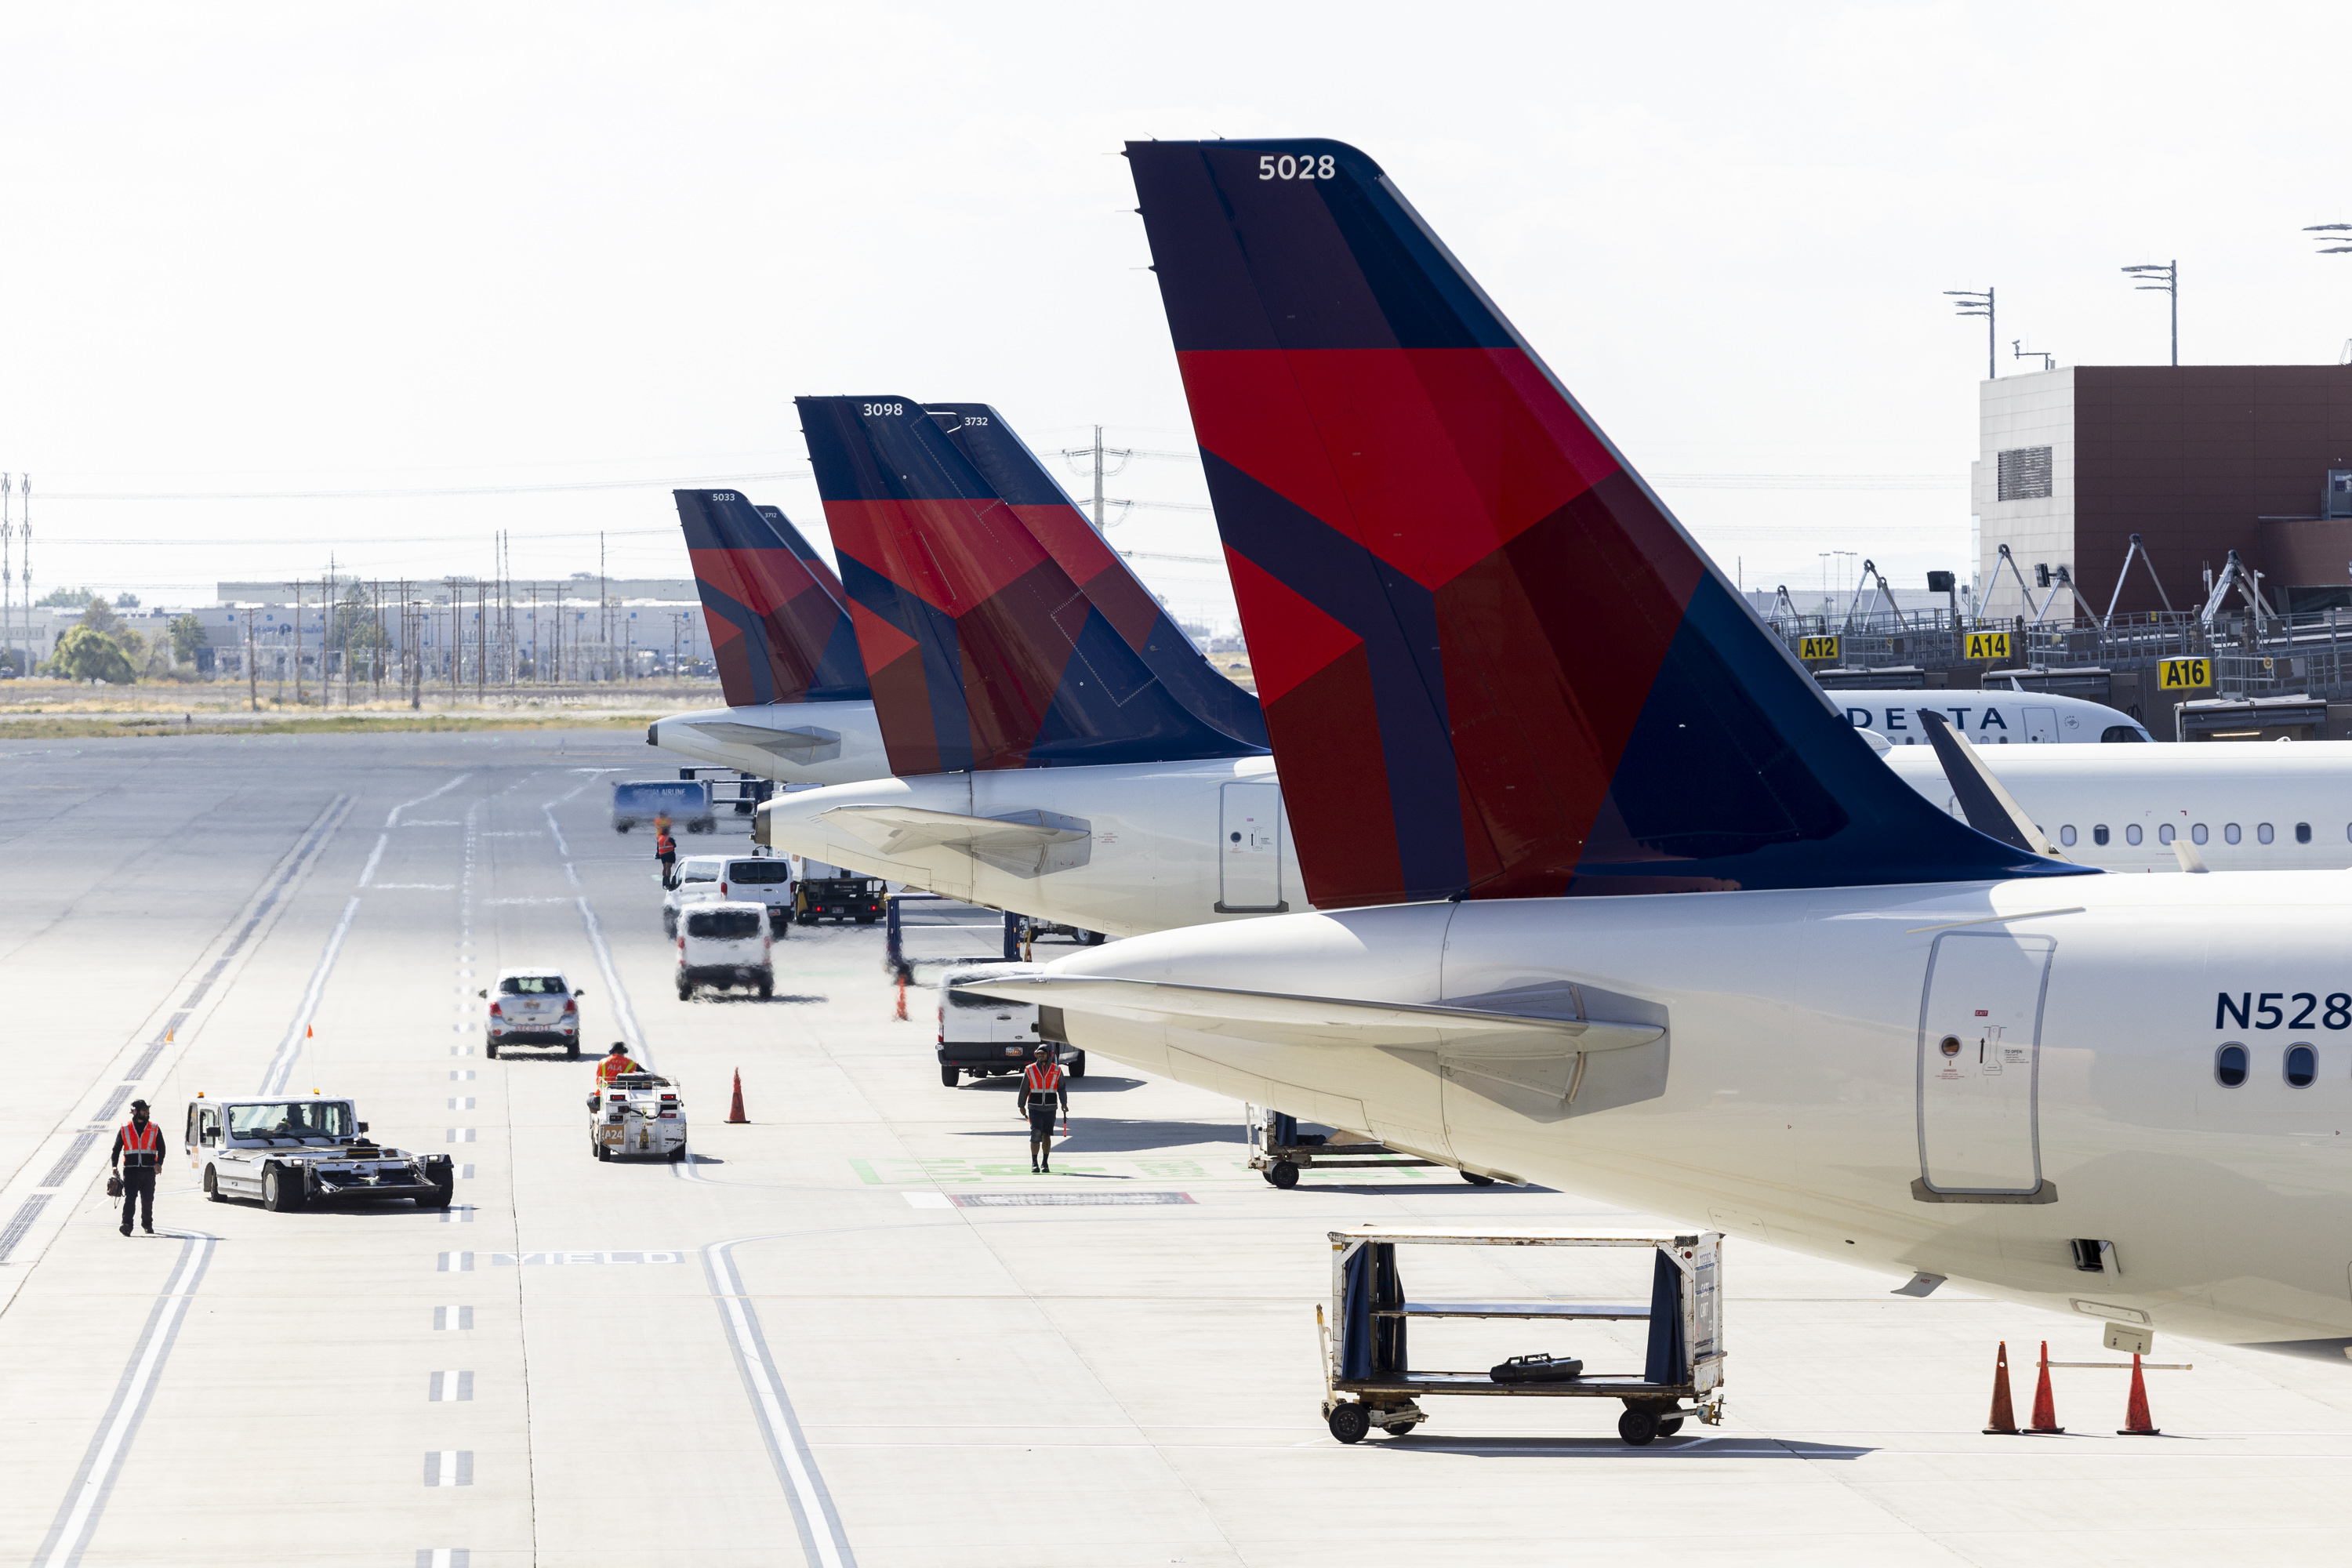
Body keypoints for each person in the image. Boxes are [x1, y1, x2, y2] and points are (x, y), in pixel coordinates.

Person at [111, 1098, 165, 1236]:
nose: (147, 1112)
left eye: (147, 1110)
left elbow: (162, 1147)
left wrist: (159, 1162)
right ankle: (127, 1225)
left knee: (147, 1199)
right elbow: (116, 1149)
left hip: (148, 1170)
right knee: (130, 1199)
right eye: (144, 1110)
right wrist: (114, 1166)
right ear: (135, 1112)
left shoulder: (154, 1128)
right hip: (131, 1170)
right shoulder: (125, 1129)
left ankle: (147, 1224)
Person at [1015, 1044, 1068, 1174]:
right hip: (1034, 1107)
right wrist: (1021, 1105)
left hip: (1051, 1108)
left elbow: (1061, 1088)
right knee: (1036, 1133)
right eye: (1039, 1054)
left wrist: (1064, 1103)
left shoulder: (1057, 1070)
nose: (1040, 1055)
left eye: (1043, 1053)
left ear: (1049, 1054)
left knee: (1046, 1135)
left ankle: (1045, 1163)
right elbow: (1024, 1089)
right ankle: (1034, 1162)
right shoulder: (1030, 1069)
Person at [590, 1041, 643, 1109]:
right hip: (624, 1094)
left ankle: (597, 1113)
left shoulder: (603, 1062)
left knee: (590, 1100)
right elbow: (644, 1072)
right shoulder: (630, 1063)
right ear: (624, 1052)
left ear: (612, 1052)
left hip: (604, 1094)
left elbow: (598, 1079)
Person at [654, 818, 678, 889]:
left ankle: (664, 880)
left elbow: (658, 847)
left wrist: (658, 854)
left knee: (664, 867)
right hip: (669, 854)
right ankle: (668, 881)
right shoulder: (669, 838)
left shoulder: (660, 838)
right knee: (668, 867)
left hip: (662, 854)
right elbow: (675, 845)